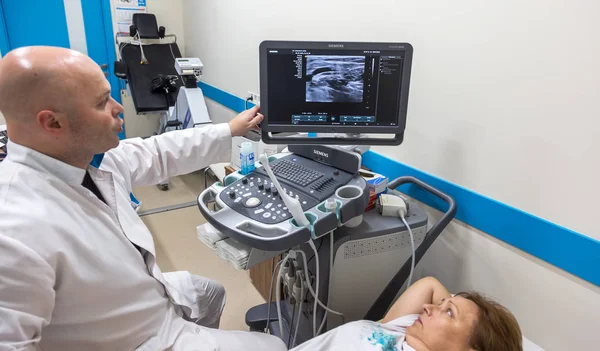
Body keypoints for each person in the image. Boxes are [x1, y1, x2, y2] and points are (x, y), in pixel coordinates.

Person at [0, 46, 286, 350]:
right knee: (272, 346)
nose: (117, 107)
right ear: (52, 123)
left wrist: (231, 129)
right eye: (101, 103)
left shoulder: (85, 158)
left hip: (125, 300)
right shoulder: (15, 227)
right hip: (130, 340)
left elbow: (159, 151)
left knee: (209, 292)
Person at [290, 276, 523, 351]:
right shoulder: (407, 328)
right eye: (440, 305)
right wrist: (450, 306)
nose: (427, 307)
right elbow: (429, 285)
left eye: (449, 313)